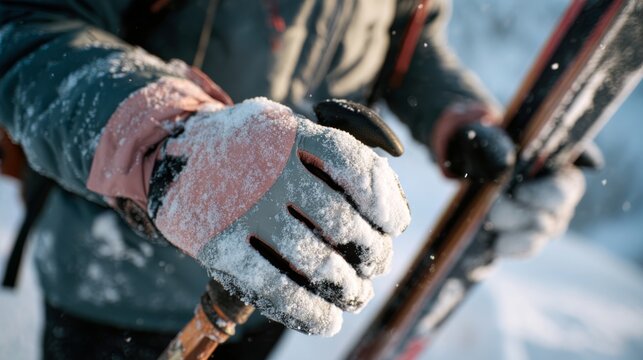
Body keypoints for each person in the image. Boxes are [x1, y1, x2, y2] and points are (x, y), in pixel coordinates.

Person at [0, 0, 585, 359]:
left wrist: (457, 119)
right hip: (117, 291)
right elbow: (25, 29)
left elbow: (408, 36)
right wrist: (174, 144)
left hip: (281, 285)